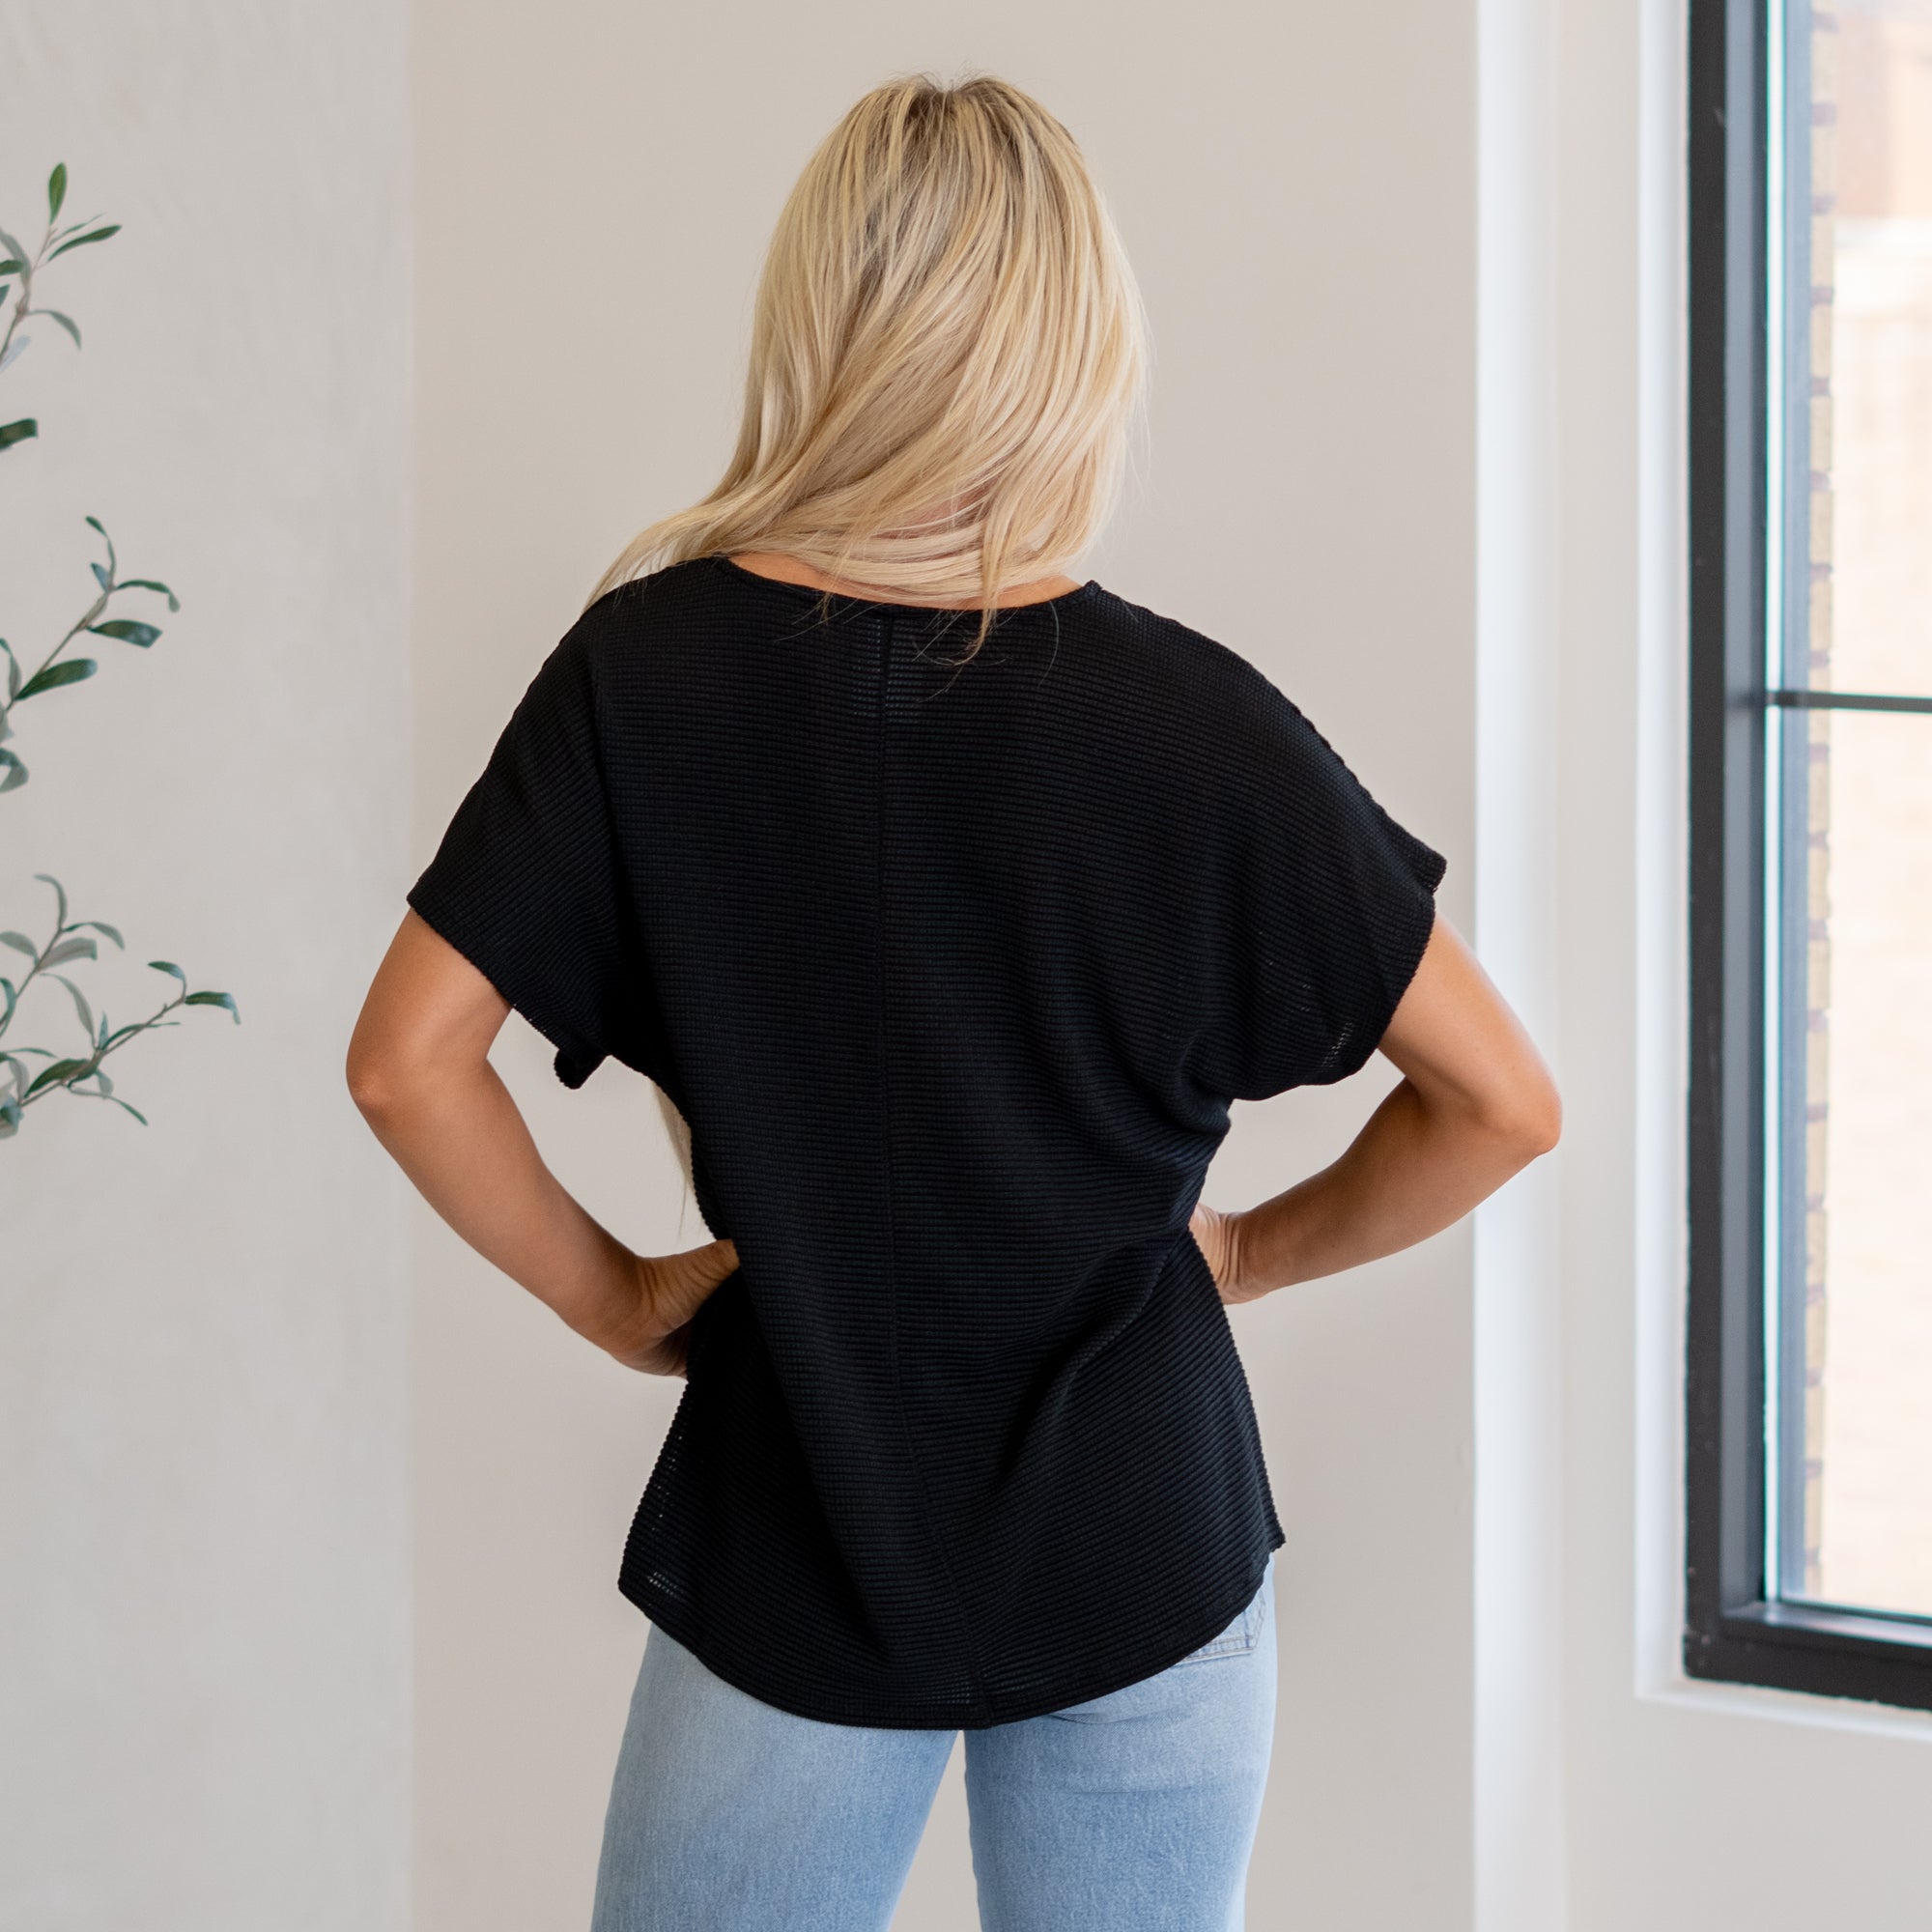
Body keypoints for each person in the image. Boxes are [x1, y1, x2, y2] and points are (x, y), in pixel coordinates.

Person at [346, 71, 1559, 1932]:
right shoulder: (1196, 724)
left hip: (799, 1528)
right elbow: (1504, 1103)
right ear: (1077, 350)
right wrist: (1247, 1253)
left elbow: (407, 1066)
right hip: (1144, 1539)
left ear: (821, 321)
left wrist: (618, 1299)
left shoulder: (643, 675)